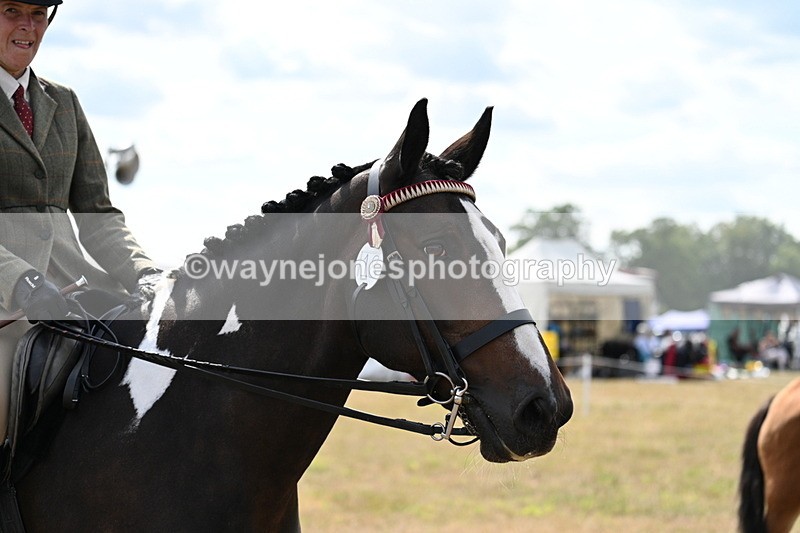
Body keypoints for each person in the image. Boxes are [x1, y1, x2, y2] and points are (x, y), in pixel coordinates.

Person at [0, 0, 159, 442]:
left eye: (37, 14)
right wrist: (22, 282)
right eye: (12, 10)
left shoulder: (64, 103)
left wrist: (145, 272)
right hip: (7, 305)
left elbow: (99, 217)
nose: (27, 27)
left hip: (74, 291)